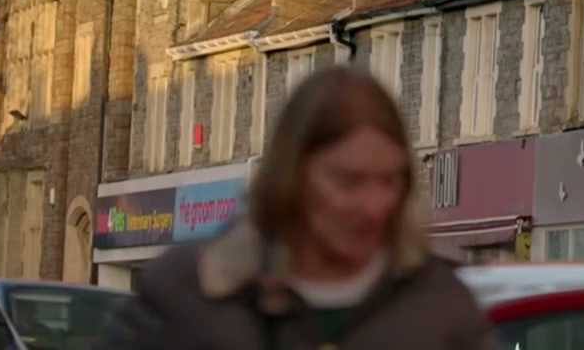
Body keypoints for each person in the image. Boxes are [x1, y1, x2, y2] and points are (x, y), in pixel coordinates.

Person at [101, 65, 493, 350]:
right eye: (348, 180)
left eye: (389, 180)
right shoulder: (189, 291)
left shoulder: (442, 306)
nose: (374, 207)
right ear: (292, 174)